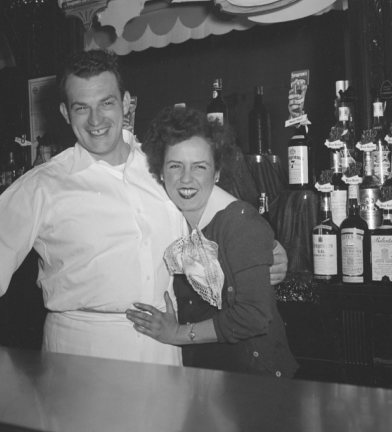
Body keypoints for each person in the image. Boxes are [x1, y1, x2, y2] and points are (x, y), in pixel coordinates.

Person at [0, 50, 289, 367]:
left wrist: (268, 253)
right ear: (65, 113)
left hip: (161, 347)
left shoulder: (164, 167)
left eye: (107, 103)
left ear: (126, 104)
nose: (96, 120)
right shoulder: (45, 184)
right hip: (80, 352)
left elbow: (224, 221)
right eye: (81, 107)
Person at [126, 106, 298, 378]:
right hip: (205, 375)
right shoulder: (174, 221)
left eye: (199, 166)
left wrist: (177, 334)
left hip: (253, 377)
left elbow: (254, 316)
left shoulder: (238, 221)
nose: (186, 178)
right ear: (161, 172)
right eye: (175, 166)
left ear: (217, 172)